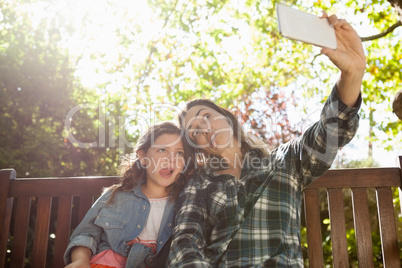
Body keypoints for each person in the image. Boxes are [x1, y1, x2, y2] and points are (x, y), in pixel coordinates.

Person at [167, 12, 366, 267]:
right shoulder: (200, 183)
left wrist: (352, 74)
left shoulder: (286, 161)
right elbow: (186, 242)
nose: (204, 128)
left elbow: (329, 134)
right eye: (194, 131)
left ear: (228, 119)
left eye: (207, 116)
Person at [64, 122, 191, 268]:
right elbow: (86, 235)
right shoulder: (116, 196)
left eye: (179, 153)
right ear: (142, 157)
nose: (171, 159)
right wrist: (80, 261)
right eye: (162, 150)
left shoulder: (186, 203)